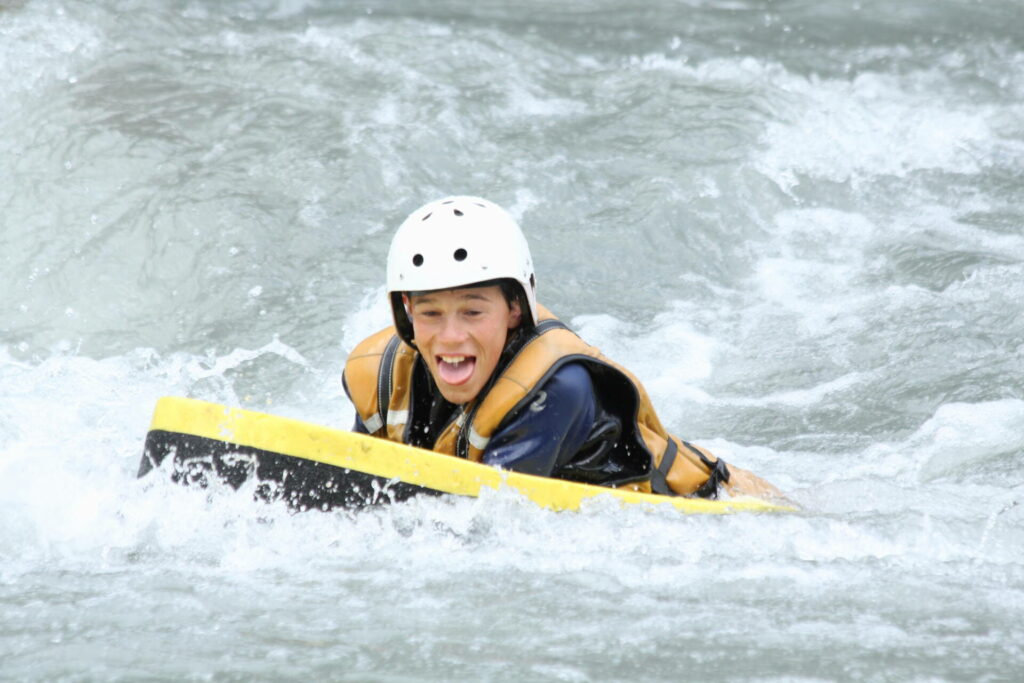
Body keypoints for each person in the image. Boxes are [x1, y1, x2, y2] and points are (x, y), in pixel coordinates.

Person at [343, 196, 784, 501]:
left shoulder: (558, 390)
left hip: (720, 510)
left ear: (515, 310)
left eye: (473, 312)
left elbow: (480, 519)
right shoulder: (384, 380)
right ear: (406, 312)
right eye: (431, 313)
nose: (451, 337)